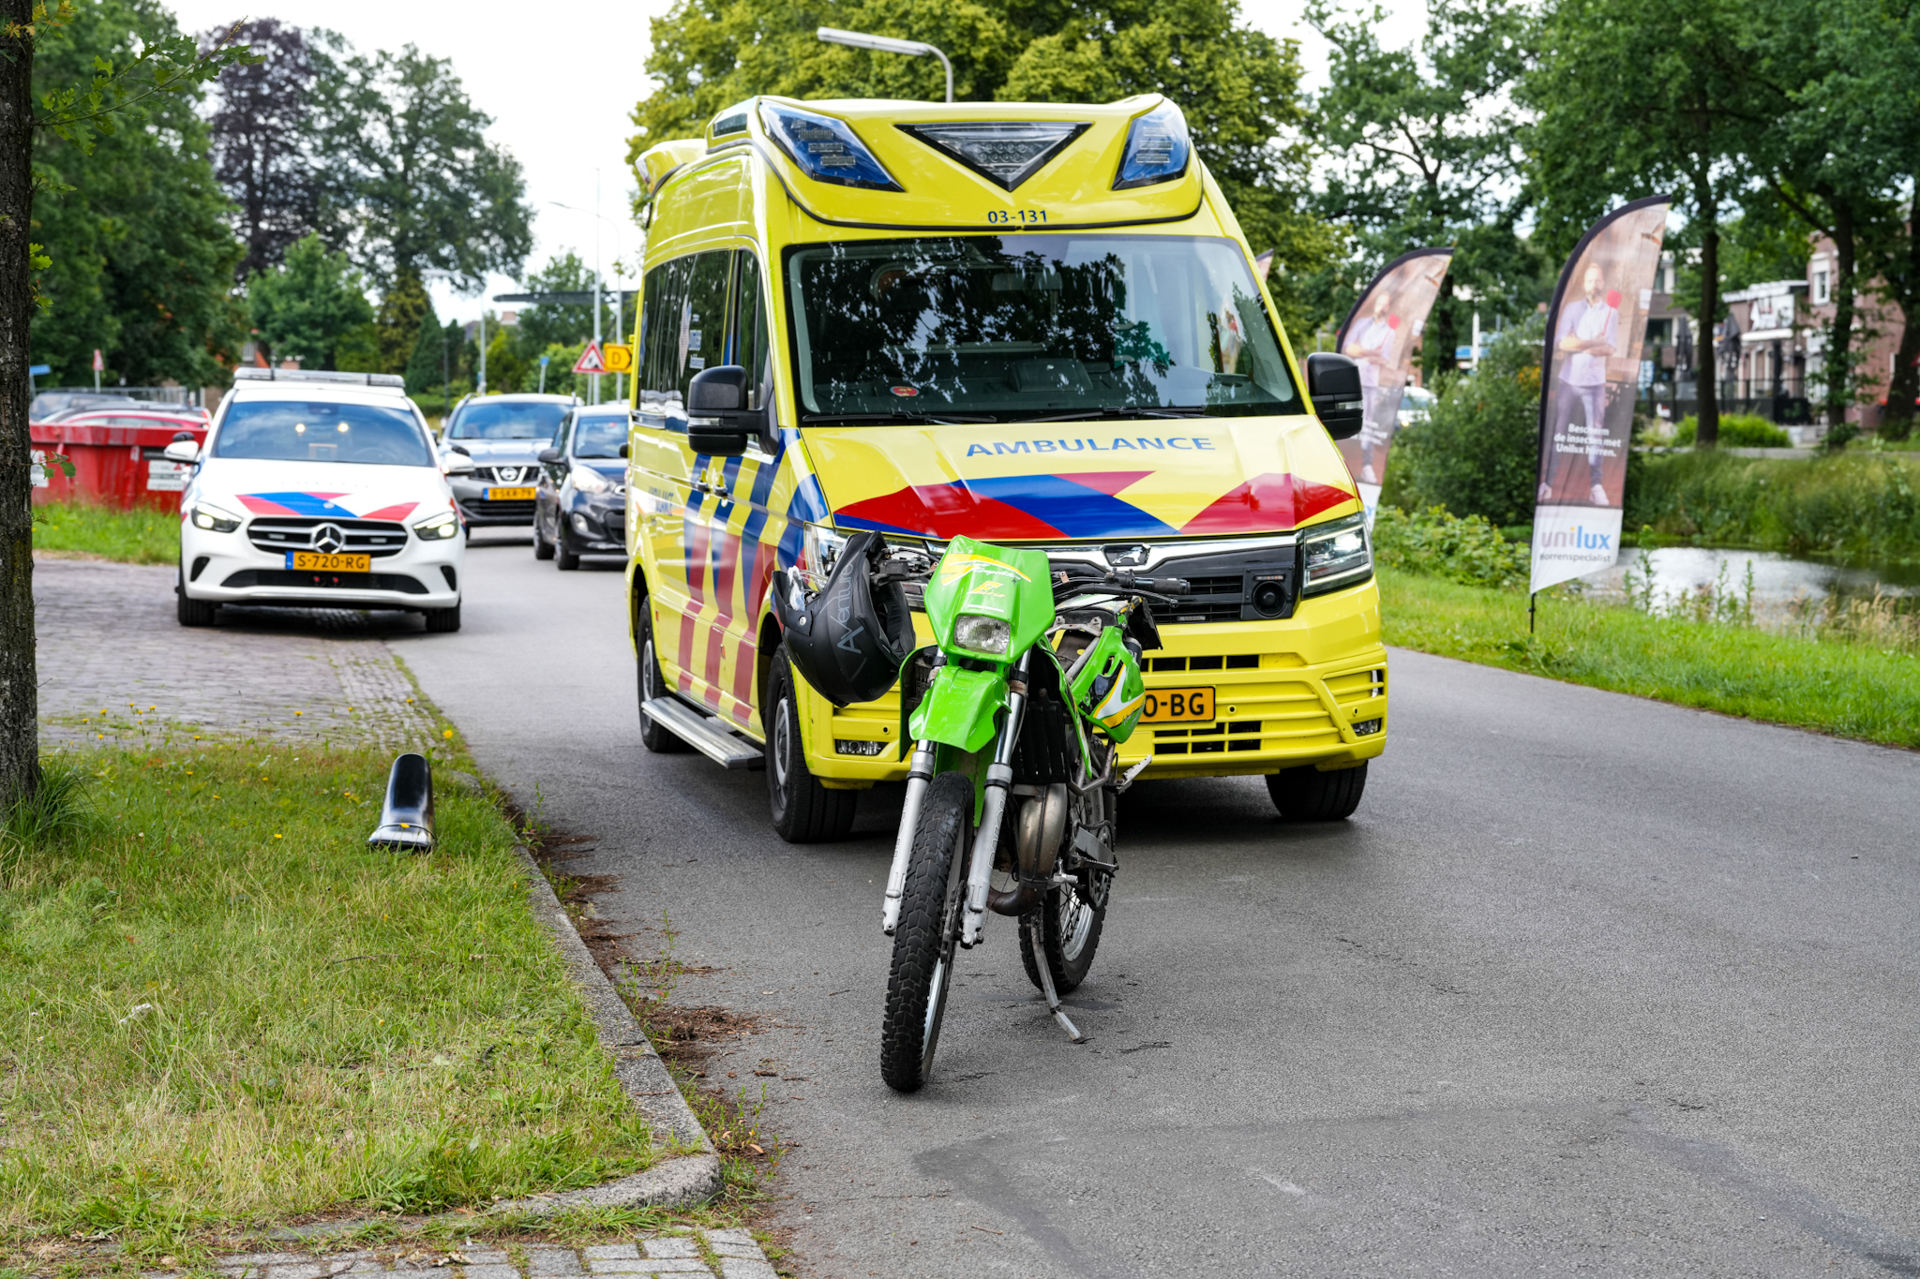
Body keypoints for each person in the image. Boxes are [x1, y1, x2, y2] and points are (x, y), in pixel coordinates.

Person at [1540, 263, 1619, 505]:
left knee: (1596, 436)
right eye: (1588, 281)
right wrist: (1593, 342)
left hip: (1595, 383)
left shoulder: (1610, 313)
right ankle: (1548, 483)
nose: (1593, 285)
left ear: (1602, 283)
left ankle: (1596, 486)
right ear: (1583, 284)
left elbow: (1610, 347)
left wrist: (1582, 343)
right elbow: (1562, 343)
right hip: (1568, 380)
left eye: (1596, 281)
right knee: (1559, 432)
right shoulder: (1572, 309)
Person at [1341, 291, 1398, 484]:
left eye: (1385, 303)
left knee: (1369, 424)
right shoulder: (1361, 325)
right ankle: (1343, 464)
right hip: (1353, 379)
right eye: (1379, 302)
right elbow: (1348, 348)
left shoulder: (1389, 332)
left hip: (1371, 383)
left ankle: (1366, 466)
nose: (1381, 306)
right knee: (1346, 421)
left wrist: (1363, 353)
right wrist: (1370, 353)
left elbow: (1384, 358)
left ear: (1388, 307)